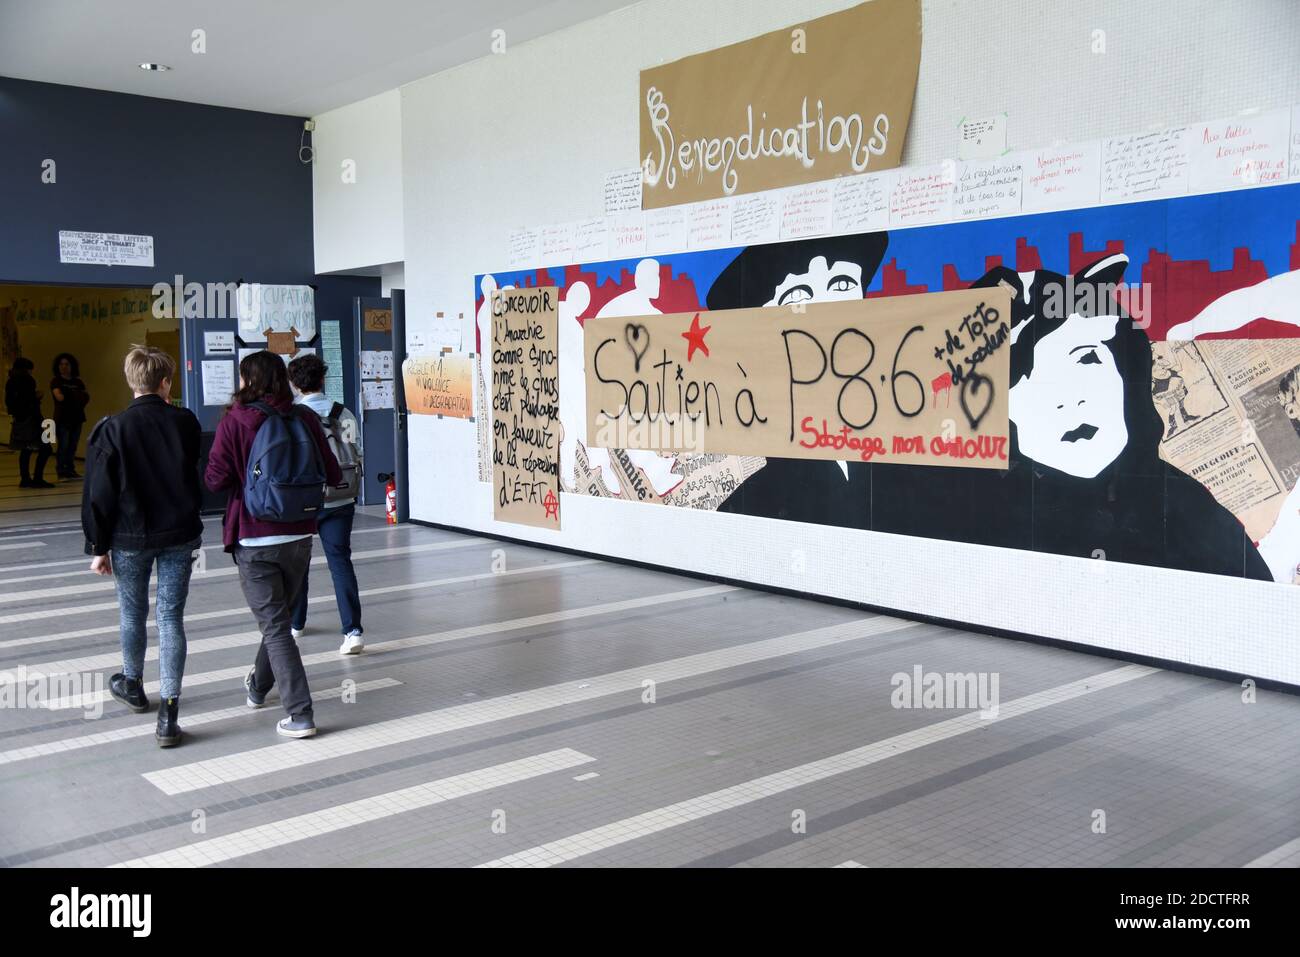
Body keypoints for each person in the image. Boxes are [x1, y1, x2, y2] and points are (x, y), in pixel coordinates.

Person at [205, 351, 341, 738]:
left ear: (248, 381)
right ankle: (258, 687)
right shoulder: (305, 417)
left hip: (254, 535)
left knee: (277, 628)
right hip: (300, 534)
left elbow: (214, 480)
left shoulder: (236, 421)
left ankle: (300, 714)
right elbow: (331, 472)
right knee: (277, 620)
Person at [82, 345, 202, 748]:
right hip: (178, 536)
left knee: (132, 613)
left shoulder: (112, 429)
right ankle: (169, 713)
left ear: (131, 381)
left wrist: (98, 547)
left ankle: (132, 684)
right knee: (171, 618)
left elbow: (99, 494)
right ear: (166, 381)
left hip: (129, 539)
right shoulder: (184, 422)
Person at [287, 352, 365, 655]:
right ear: (323, 379)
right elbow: (357, 451)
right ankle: (353, 631)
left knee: (298, 565)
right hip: (341, 497)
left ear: (295, 384)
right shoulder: (343, 413)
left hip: (303, 501)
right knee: (340, 562)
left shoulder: (292, 417)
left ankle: (296, 623)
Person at [5, 357, 55, 488]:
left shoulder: (10, 382)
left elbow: (10, 404)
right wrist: (37, 396)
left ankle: (25, 479)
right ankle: (37, 478)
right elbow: (28, 401)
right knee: (46, 448)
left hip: (20, 421)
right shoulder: (27, 380)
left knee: (26, 450)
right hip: (32, 420)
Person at [50, 352, 90, 479]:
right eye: (61, 364)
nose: (64, 367)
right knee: (64, 445)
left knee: (73, 445)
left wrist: (71, 395)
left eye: (67, 364)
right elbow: (59, 397)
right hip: (62, 418)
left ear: (72, 366)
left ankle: (70, 469)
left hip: (77, 417)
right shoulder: (56, 381)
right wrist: (74, 396)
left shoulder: (78, 382)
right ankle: (61, 470)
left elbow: (85, 397)